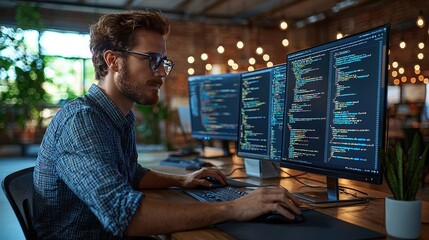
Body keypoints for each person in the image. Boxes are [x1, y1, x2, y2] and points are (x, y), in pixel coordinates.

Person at [33, 10, 302, 239]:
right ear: (113, 60)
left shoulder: (117, 116)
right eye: (152, 59)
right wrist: (234, 208)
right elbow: (123, 215)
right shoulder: (82, 121)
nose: (162, 72)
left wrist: (183, 180)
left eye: (163, 62)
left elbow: (132, 174)